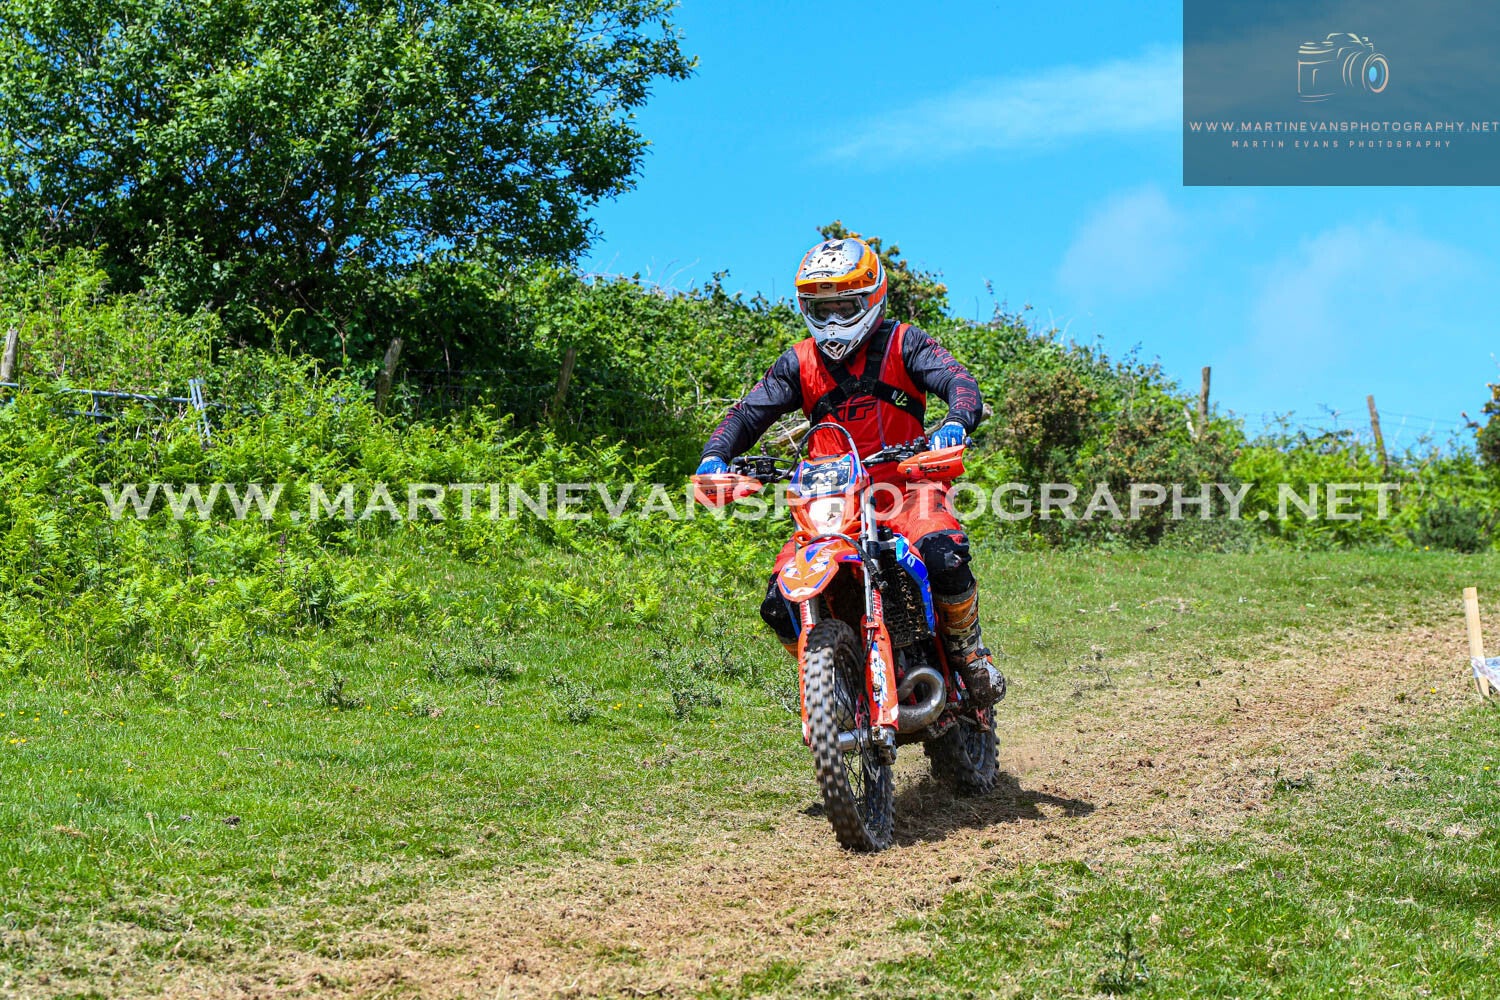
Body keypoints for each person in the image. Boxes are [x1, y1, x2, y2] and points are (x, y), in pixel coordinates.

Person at [696, 236, 1005, 708]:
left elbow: (958, 381)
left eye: (845, 306)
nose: (834, 321)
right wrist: (715, 457)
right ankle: (831, 682)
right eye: (822, 310)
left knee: (943, 556)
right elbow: (747, 415)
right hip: (830, 503)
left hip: (905, 488)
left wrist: (955, 423)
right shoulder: (798, 362)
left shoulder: (905, 343)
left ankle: (968, 653)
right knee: (778, 605)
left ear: (872, 299)